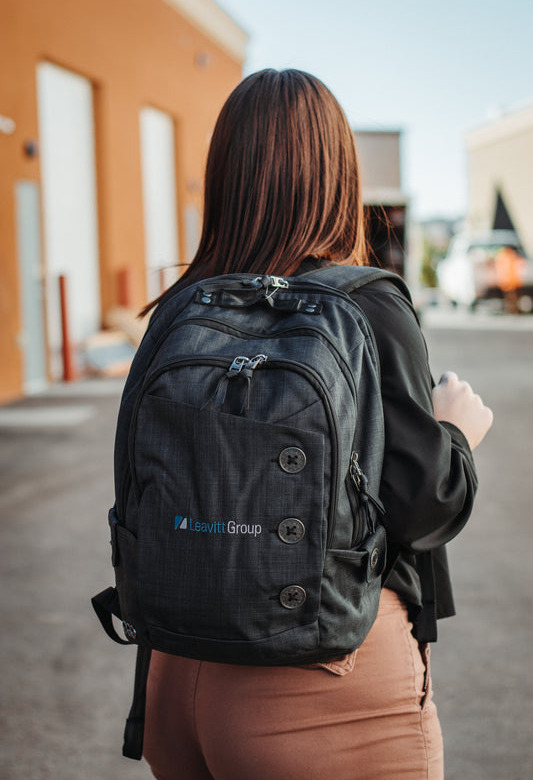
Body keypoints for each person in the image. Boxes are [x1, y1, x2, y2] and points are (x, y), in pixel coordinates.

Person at [140, 69, 493, 780]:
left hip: (174, 676)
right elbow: (422, 508)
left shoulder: (178, 310)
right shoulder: (362, 306)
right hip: (321, 680)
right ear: (337, 172)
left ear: (225, 174)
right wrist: (454, 433)